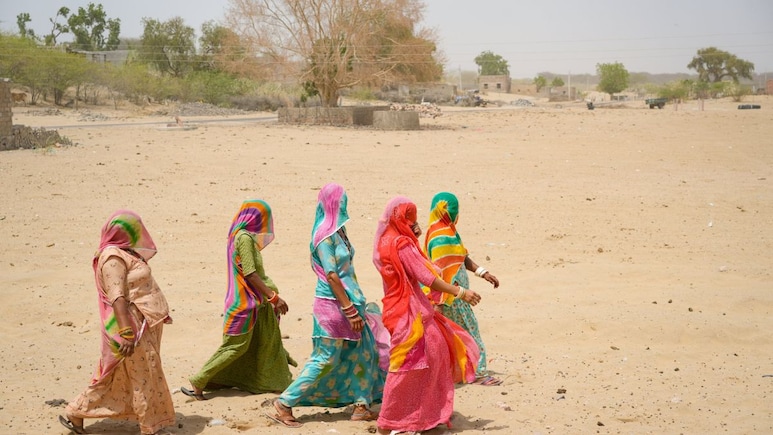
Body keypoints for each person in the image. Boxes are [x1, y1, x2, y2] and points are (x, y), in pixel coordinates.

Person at [267, 183, 388, 428]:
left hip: (352, 303)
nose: (345, 205)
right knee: (325, 358)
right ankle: (284, 403)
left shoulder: (340, 232)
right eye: (341, 200)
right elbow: (331, 274)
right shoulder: (323, 235)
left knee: (365, 352)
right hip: (334, 307)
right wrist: (349, 309)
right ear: (333, 203)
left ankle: (361, 405)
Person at [59, 210, 175, 435]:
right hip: (130, 326)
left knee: (121, 374)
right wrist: (127, 333)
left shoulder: (124, 252)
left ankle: (76, 411)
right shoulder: (113, 258)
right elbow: (117, 297)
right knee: (144, 374)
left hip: (142, 323)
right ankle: (150, 428)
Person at [372, 196, 481, 435]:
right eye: (412, 218)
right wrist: (461, 292)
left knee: (429, 355)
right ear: (405, 219)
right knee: (411, 363)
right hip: (410, 312)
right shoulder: (401, 244)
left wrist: (413, 237)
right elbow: (427, 276)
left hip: (395, 309)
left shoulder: (385, 241)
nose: (415, 222)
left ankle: (422, 416)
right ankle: (391, 420)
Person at [183, 200, 295, 400]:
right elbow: (250, 273)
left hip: (257, 302)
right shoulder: (243, 238)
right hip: (245, 304)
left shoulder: (244, 237)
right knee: (236, 346)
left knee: (265, 341)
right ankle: (198, 381)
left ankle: (268, 381)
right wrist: (273, 297)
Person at [424, 192, 502, 386]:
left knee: (451, 334)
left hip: (455, 295)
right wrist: (442, 300)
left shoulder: (448, 232)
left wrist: (482, 272)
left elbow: (462, 257)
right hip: (453, 297)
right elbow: (438, 272)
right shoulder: (440, 237)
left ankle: (452, 372)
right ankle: (480, 372)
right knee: (470, 331)